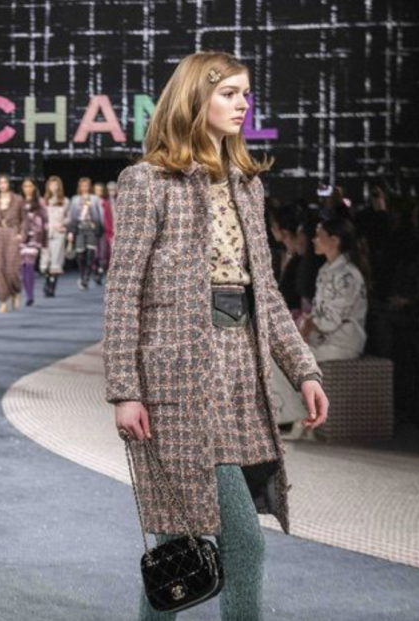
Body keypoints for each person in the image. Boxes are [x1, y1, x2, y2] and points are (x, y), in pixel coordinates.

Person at [105, 52, 330, 621]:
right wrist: (125, 389)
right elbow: (123, 290)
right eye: (229, 93)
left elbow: (266, 293)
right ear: (194, 98)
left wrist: (304, 369)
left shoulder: (246, 186)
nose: (242, 104)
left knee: (176, 547)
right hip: (179, 382)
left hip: (240, 377)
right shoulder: (148, 182)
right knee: (242, 542)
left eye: (246, 94)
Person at [274, 217, 368, 440]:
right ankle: (298, 419)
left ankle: (300, 419)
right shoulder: (327, 269)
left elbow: (332, 318)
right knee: (279, 357)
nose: (314, 240)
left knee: (287, 362)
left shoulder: (348, 275)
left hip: (342, 342)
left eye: (319, 235)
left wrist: (308, 326)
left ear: (334, 240)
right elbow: (318, 311)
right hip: (321, 338)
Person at [0, 173, 27, 313]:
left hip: (12, 234)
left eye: (5, 182)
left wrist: (21, 234)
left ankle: (15, 291)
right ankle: (3, 301)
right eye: (0, 183)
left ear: (9, 184)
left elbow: (24, 219)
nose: (3, 185)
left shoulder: (18, 199)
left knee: (12, 269)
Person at [66, 177, 103, 290]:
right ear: (79, 187)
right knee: (80, 254)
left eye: (86, 185)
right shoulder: (75, 199)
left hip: (91, 229)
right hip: (79, 229)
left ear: (89, 186)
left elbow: (99, 214)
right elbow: (72, 216)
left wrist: (98, 228)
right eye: (82, 185)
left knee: (90, 254)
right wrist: (71, 231)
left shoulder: (95, 199)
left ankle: (86, 277)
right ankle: (82, 275)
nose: (84, 187)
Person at [39, 176, 69, 297]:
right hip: (46, 233)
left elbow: (69, 217)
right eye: (51, 185)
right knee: (45, 261)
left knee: (56, 260)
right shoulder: (43, 201)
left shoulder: (65, 201)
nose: (53, 187)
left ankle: (52, 285)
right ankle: (47, 279)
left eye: (55, 185)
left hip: (58, 233)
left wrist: (63, 224)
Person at [19, 177, 47, 306]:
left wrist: (44, 240)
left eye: (30, 186)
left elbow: (45, 220)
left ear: (34, 187)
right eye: (25, 186)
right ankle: (28, 293)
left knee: (29, 264)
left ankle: (30, 295)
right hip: (21, 236)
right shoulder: (19, 202)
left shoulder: (40, 202)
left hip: (35, 236)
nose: (27, 189)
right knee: (23, 266)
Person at [93, 182, 114, 285]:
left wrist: (110, 230)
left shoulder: (106, 202)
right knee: (94, 253)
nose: (98, 192)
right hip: (92, 230)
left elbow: (109, 217)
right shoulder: (90, 201)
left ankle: (100, 272)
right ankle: (96, 270)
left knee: (103, 252)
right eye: (96, 190)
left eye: (100, 190)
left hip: (104, 230)